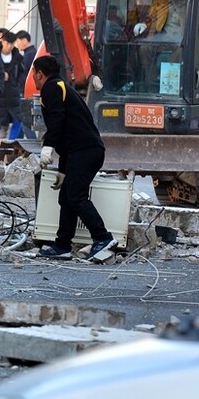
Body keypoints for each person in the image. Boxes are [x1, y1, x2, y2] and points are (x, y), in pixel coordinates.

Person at [33, 55, 117, 261]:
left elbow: (57, 121)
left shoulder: (51, 88)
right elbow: (67, 134)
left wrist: (47, 147)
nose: (34, 78)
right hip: (83, 150)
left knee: (75, 196)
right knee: (67, 197)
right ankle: (62, 245)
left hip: (85, 151)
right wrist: (63, 169)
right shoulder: (62, 86)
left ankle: (103, 238)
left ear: (39, 74)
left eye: (34, 74)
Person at [0, 30, 24, 140]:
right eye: (7, 43)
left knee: (17, 120)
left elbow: (22, 72)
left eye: (12, 43)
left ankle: (11, 143)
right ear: (2, 42)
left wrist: (18, 84)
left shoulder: (18, 57)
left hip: (13, 94)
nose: (10, 46)